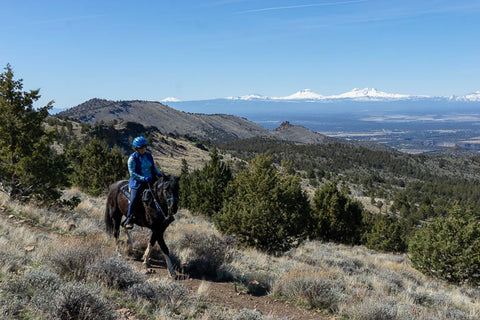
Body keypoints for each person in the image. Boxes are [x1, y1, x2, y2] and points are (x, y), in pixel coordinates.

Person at [122, 136, 162, 229]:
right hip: (137, 182)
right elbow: (132, 173)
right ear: (136, 148)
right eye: (141, 148)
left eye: (144, 147)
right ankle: (129, 218)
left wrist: (159, 174)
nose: (143, 149)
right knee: (134, 198)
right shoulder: (132, 158)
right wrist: (143, 178)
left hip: (150, 179)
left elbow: (153, 166)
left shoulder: (148, 155)